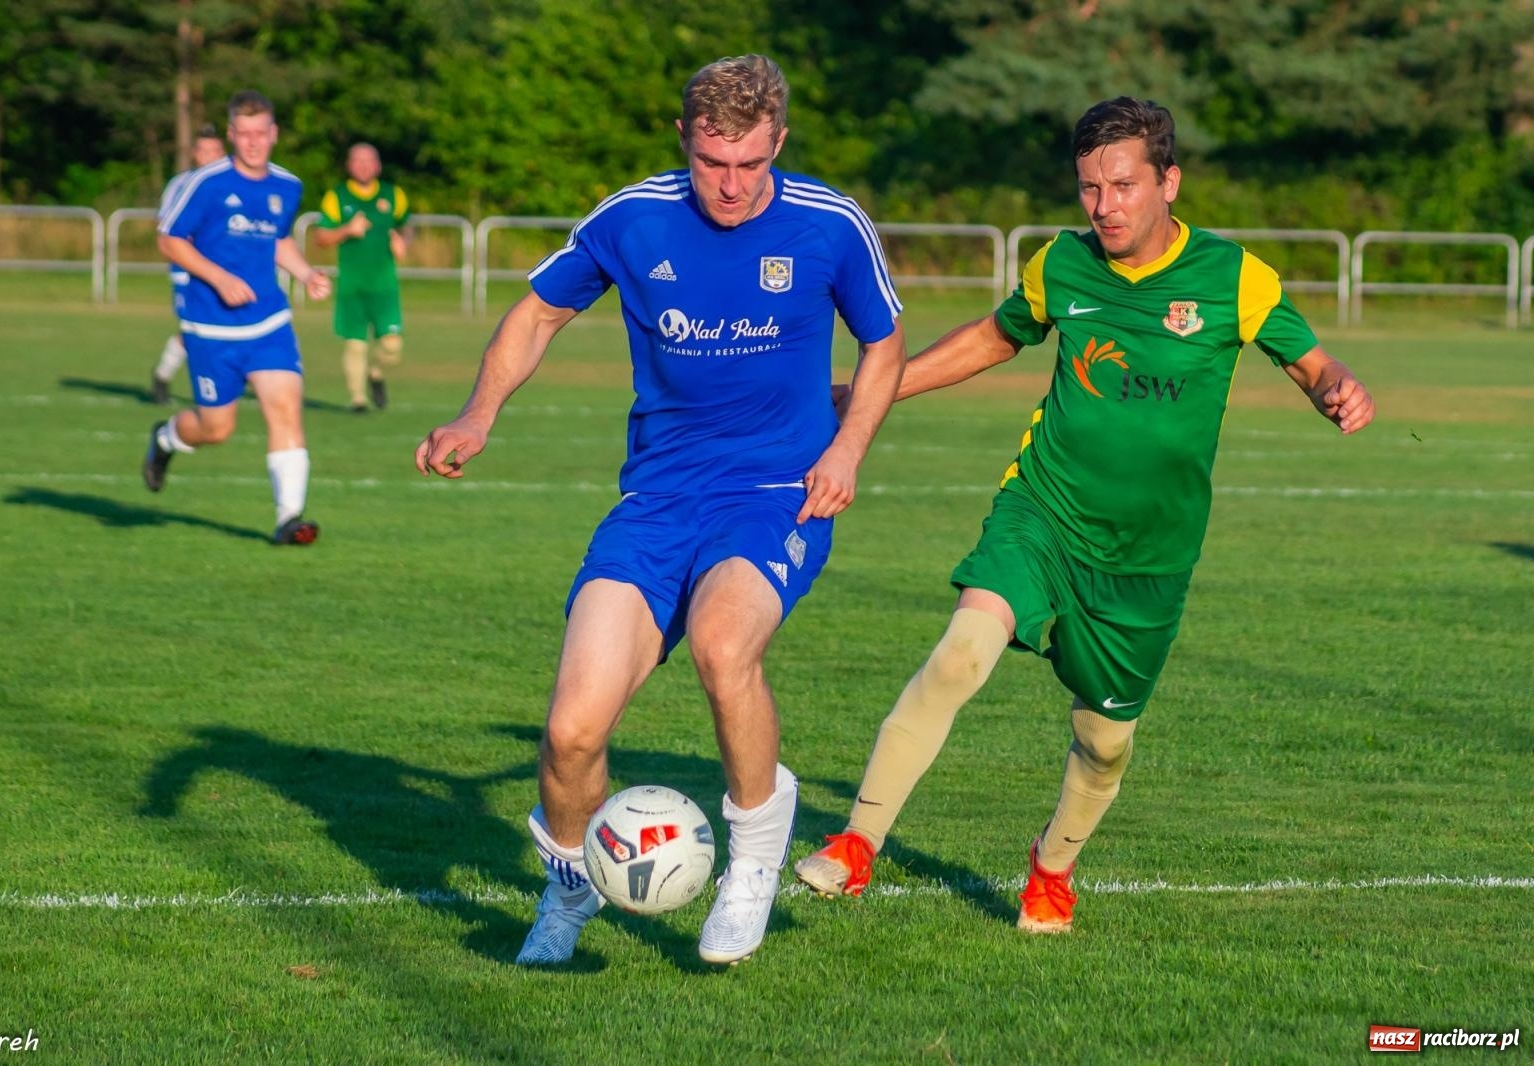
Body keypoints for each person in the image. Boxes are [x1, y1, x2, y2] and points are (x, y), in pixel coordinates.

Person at [793, 97, 1375, 933]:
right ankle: (857, 842)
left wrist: (1336, 390)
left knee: (1104, 740)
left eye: (1124, 185)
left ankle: (1052, 869)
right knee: (961, 654)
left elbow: (1314, 364)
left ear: (1169, 182)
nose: (1104, 206)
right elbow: (995, 338)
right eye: (1089, 188)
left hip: (1148, 557)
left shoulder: (1236, 277)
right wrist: (874, 394)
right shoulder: (1062, 265)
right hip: (1046, 509)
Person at [415, 54, 907, 966]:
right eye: (712, 162)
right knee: (569, 734)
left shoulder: (828, 225)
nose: (730, 185)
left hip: (775, 497)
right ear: (683, 140)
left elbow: (884, 343)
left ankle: (752, 862)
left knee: (725, 648)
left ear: (779, 145)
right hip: (656, 502)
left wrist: (845, 452)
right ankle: (569, 892)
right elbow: (535, 316)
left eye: (750, 164)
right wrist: (477, 413)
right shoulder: (633, 217)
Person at [142, 90, 331, 546]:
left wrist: (306, 273)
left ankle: (290, 519)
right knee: (216, 428)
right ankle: (167, 438)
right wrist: (219, 277)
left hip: (268, 322)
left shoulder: (287, 185)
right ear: (231, 134)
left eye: (260, 133)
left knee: (285, 409)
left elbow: (278, 239)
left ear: (274, 134)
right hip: (210, 328)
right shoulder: (205, 183)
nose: (252, 143)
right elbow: (169, 241)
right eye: (242, 134)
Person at [315, 143, 412, 413]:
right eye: (357, 160)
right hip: (351, 286)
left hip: (384, 286)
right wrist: (347, 230)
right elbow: (321, 237)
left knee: (392, 347)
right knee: (355, 345)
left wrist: (403, 241)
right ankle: (358, 399)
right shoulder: (337, 196)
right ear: (349, 165)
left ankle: (376, 372)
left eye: (369, 160)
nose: (363, 165)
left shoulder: (393, 195)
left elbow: (407, 226)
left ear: (378, 165)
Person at [149, 125, 227, 405]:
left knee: (227, 325)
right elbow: (167, 230)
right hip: (187, 271)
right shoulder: (180, 184)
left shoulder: (231, 184)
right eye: (202, 151)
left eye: (214, 151)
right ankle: (163, 375)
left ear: (223, 153)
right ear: (194, 154)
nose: (208, 157)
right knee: (194, 329)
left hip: (225, 270)